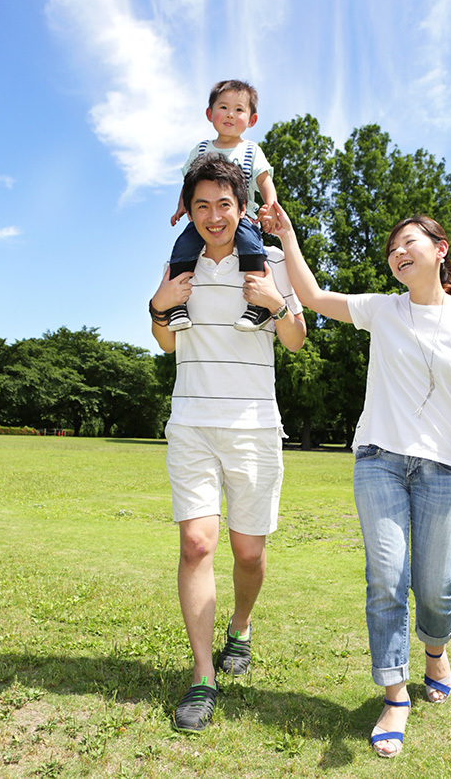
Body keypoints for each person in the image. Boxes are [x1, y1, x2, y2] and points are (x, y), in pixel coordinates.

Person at [265, 202, 451, 758]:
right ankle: (395, 694)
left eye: (409, 242)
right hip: (379, 460)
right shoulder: (384, 310)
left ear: (439, 250)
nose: (398, 252)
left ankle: (435, 649)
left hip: (444, 466)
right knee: (387, 577)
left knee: (436, 584)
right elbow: (317, 298)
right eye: (392, 247)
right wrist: (289, 235)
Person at [149, 155, 306, 733]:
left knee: (247, 552)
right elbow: (165, 342)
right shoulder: (178, 264)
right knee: (196, 544)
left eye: (224, 205)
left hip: (254, 424)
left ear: (241, 209)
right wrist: (161, 306)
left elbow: (294, 341)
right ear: (188, 212)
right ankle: (201, 677)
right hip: (190, 421)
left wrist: (275, 301)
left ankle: (239, 630)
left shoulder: (267, 262)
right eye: (201, 206)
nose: (213, 217)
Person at [167, 79, 279, 333]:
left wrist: (270, 206)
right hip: (204, 219)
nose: (230, 114)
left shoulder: (251, 150)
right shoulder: (201, 149)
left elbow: (264, 180)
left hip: (243, 217)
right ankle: (177, 305)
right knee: (183, 248)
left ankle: (258, 304)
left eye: (239, 110)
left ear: (252, 120)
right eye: (223, 107)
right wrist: (182, 206)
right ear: (209, 114)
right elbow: (189, 183)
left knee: (252, 248)